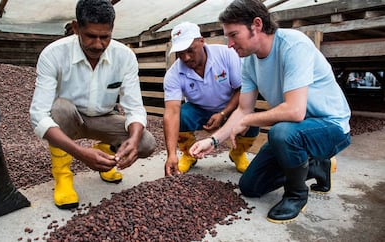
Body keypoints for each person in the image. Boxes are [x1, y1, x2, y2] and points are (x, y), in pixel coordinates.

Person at [190, 0, 351, 223]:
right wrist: (213, 141)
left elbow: (295, 111)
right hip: (298, 130)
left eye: (233, 35)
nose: (229, 44)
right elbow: (243, 109)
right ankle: (315, 165)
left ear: (256, 25)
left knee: (282, 132)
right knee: (250, 186)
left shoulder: (293, 45)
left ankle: (296, 195)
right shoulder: (249, 62)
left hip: (330, 126)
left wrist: (251, 119)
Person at [29, 0, 156, 209]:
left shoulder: (125, 56)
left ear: (112, 30)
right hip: (69, 120)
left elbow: (135, 109)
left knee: (146, 143)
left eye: (105, 37)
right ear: (76, 27)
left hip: (104, 117)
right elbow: (38, 116)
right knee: (59, 109)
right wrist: (81, 154)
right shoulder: (53, 54)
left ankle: (105, 155)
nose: (98, 44)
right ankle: (63, 176)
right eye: (91, 36)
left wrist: (132, 141)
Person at [163, 22, 259, 176]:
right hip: (199, 109)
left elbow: (241, 88)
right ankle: (188, 154)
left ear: (201, 41)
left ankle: (238, 153)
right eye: (180, 53)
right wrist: (171, 154)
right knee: (181, 115)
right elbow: (171, 112)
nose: (186, 58)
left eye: (190, 51)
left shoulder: (226, 54)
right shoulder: (174, 74)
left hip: (231, 107)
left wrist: (223, 113)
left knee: (251, 119)